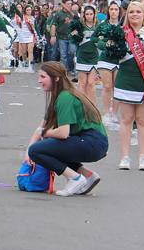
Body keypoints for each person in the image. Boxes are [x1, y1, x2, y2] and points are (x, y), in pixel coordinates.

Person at [25, 62, 108, 196]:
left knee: (37, 150)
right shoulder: (62, 95)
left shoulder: (65, 97)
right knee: (41, 148)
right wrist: (28, 152)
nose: (39, 81)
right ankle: (87, 175)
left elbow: (63, 133)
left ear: (56, 78)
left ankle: (75, 178)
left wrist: (44, 135)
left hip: (91, 142)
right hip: (96, 142)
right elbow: (42, 126)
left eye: (43, 77)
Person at [115, 1, 144, 171]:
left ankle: (143, 158)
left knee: (142, 121)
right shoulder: (121, 32)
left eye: (138, 12)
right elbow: (104, 48)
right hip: (125, 80)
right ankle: (125, 158)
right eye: (131, 12)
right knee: (126, 120)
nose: (134, 15)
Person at [95, 0, 122, 122]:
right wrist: (103, 43)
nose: (114, 12)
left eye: (116, 9)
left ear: (119, 11)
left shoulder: (123, 25)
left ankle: (114, 113)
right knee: (107, 86)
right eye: (112, 9)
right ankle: (106, 113)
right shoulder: (103, 25)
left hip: (118, 59)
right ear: (108, 11)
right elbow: (94, 38)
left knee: (117, 87)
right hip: (105, 59)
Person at [73, 4, 99, 104]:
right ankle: (82, 103)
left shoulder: (97, 26)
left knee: (91, 83)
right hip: (82, 55)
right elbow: (72, 38)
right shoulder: (80, 26)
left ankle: (91, 105)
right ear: (84, 15)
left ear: (94, 15)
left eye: (91, 14)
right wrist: (73, 34)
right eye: (87, 14)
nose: (89, 16)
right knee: (83, 82)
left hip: (94, 56)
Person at [49, 0, 77, 75]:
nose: (69, 5)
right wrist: (52, 36)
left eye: (70, 4)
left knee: (71, 52)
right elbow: (54, 24)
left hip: (72, 37)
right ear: (64, 5)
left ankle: (71, 68)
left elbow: (78, 24)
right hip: (61, 37)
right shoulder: (58, 14)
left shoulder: (73, 13)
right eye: (68, 4)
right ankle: (64, 70)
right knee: (63, 54)